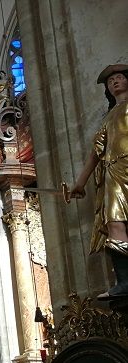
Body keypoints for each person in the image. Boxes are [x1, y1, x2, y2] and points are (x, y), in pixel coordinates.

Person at [70, 64, 128, 298]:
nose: (114, 81)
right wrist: (80, 183)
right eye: (110, 80)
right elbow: (96, 153)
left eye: (119, 77)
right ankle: (124, 282)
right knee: (114, 222)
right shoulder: (108, 117)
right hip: (114, 169)